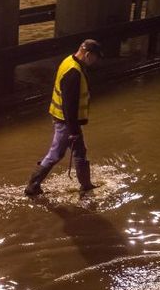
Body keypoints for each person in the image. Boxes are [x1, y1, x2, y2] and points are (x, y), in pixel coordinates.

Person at [24, 39, 103, 197]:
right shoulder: (73, 72)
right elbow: (69, 105)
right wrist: (73, 131)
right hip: (66, 122)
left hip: (64, 119)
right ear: (88, 55)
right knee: (56, 154)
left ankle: (86, 185)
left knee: (80, 151)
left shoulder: (69, 61)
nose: (94, 62)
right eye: (94, 58)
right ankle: (32, 186)